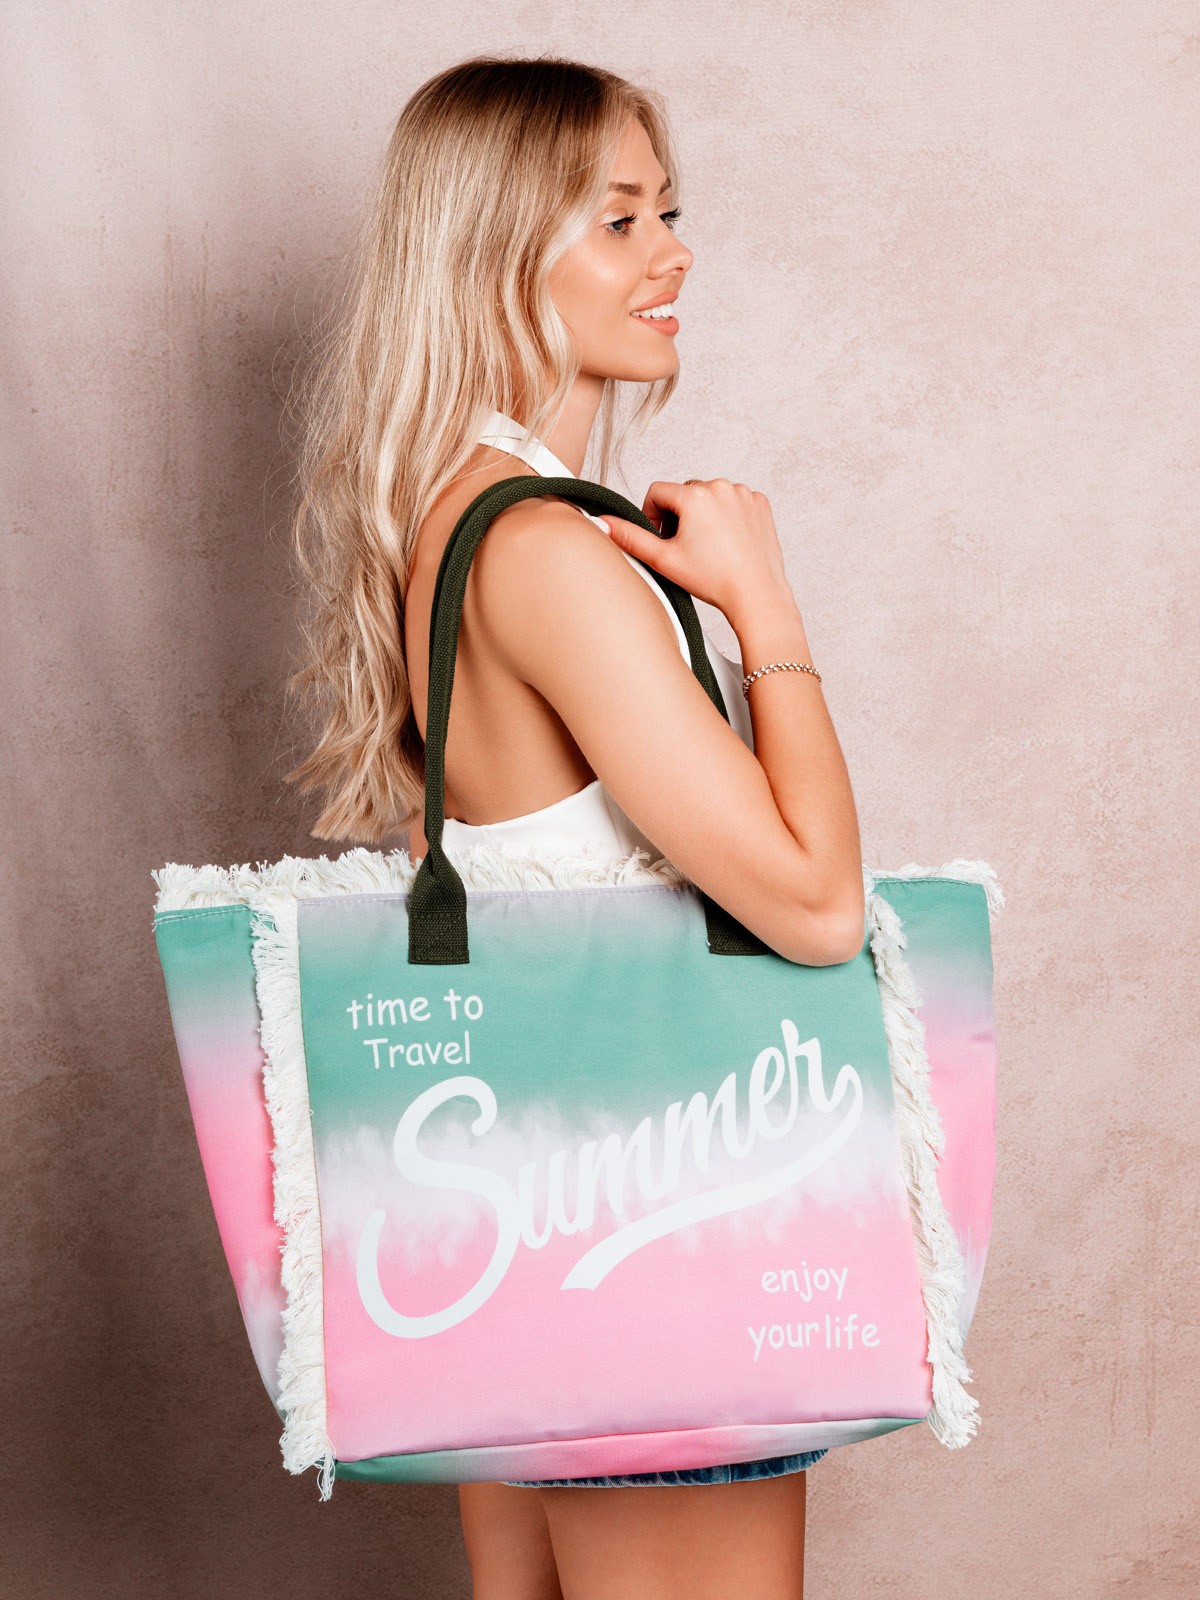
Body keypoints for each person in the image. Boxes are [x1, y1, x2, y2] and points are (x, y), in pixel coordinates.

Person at [287, 54, 864, 1600]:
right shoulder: (542, 549)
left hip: (529, 1234)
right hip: (646, 1234)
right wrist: (764, 607)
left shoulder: (464, 516)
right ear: (495, 255)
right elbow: (817, 908)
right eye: (619, 221)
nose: (673, 252)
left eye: (667, 212)